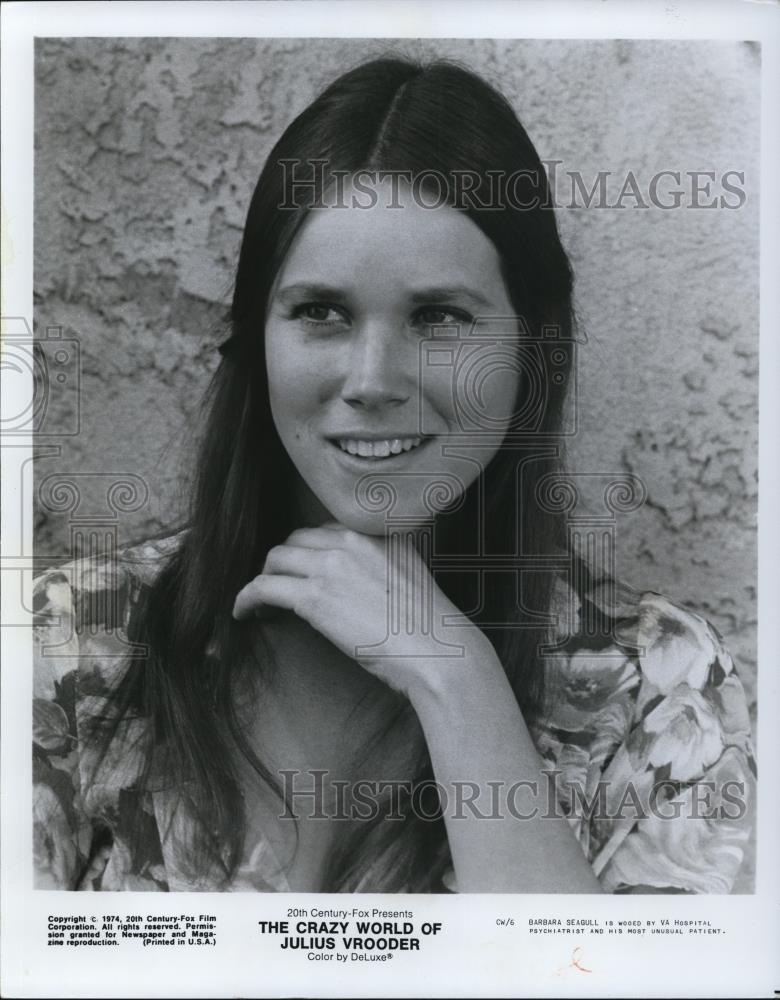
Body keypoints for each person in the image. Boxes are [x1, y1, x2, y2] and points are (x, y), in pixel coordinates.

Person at [32, 57, 755, 894]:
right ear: (257, 338)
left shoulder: (666, 697)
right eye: (321, 312)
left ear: (534, 347)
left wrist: (456, 679)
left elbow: (571, 965)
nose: (373, 380)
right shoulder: (69, 648)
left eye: (439, 317)